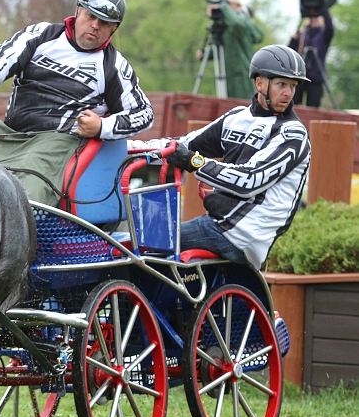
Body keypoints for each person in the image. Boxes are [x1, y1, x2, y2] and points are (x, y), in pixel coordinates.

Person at [0, 0, 153, 206]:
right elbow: (4, 58)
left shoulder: (114, 65)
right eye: (90, 16)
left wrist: (101, 127)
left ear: (114, 28)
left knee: (21, 192)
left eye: (105, 23)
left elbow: (144, 114)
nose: (95, 26)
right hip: (7, 134)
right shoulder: (42, 34)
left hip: (57, 144)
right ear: (78, 11)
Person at [129, 45, 311, 269]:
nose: (288, 93)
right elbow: (183, 144)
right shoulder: (237, 117)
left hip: (244, 234)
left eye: (292, 86)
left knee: (140, 243)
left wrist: (194, 162)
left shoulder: (292, 133)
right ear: (260, 83)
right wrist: (126, 148)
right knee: (142, 236)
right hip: (220, 223)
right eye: (281, 84)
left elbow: (249, 181)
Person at [197, 0, 263, 99]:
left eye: (227, 4)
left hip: (241, 73)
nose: (223, 7)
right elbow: (225, 47)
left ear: (235, 4)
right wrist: (206, 54)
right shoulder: (227, 26)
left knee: (242, 104)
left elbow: (237, 24)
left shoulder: (242, 20)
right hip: (229, 72)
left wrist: (223, 6)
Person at [288, 10, 334, 107]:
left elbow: (330, 28)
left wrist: (324, 9)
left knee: (313, 107)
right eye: (312, 17)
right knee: (293, 105)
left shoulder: (324, 34)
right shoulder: (301, 35)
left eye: (317, 17)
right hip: (299, 76)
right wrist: (293, 39)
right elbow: (289, 53)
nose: (315, 19)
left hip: (316, 78)